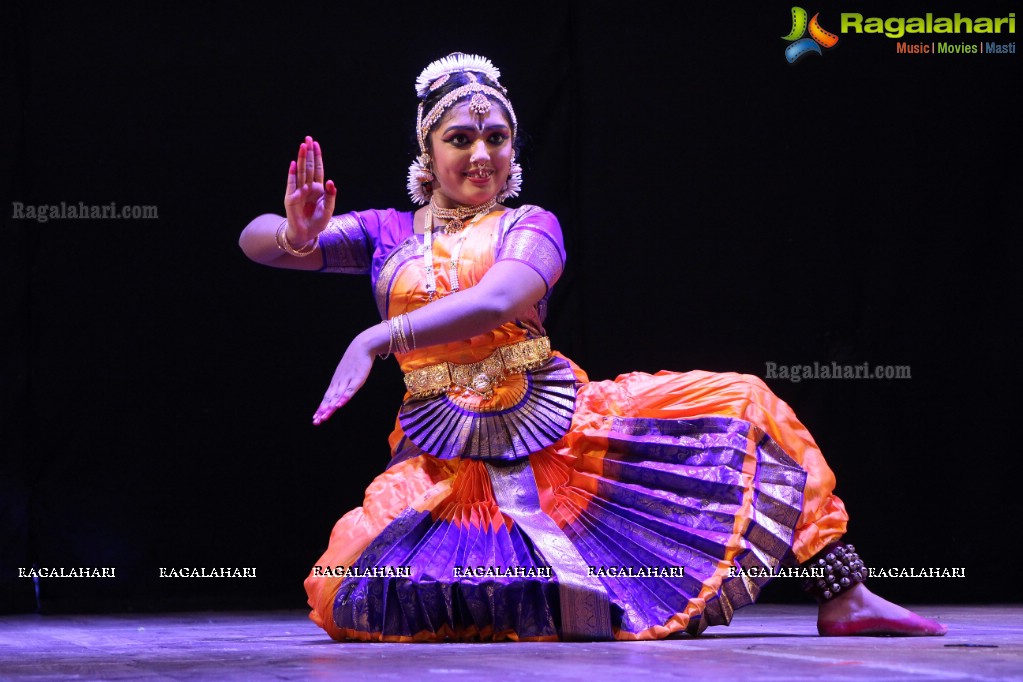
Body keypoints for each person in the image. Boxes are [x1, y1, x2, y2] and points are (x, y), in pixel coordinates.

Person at [239, 53, 946, 642]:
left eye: (496, 137)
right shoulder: (384, 232)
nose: (481, 153)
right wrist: (297, 235)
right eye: (459, 138)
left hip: (556, 431)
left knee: (745, 400)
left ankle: (842, 590)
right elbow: (256, 242)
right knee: (344, 590)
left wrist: (375, 338)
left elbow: (497, 300)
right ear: (425, 150)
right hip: (442, 452)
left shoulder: (529, 224)